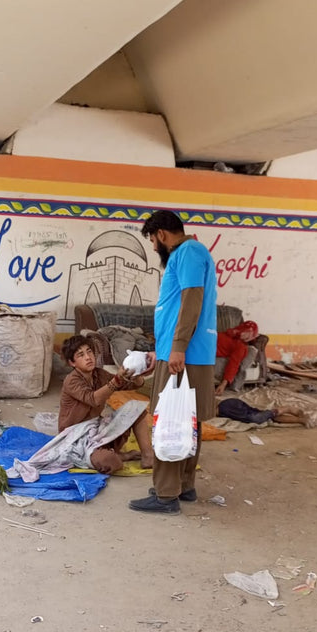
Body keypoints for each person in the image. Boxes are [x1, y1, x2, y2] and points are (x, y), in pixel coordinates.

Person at [129, 210, 217, 515]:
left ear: (162, 234)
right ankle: (184, 485)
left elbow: (192, 300)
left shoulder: (188, 252)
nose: (155, 247)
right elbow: (179, 305)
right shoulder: (191, 253)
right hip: (185, 351)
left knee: (169, 419)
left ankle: (166, 495)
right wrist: (164, 348)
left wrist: (177, 348)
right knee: (187, 417)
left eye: (153, 241)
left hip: (185, 354)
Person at [58, 335, 154, 473]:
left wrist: (137, 372)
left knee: (136, 409)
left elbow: (130, 385)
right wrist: (117, 380)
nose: (88, 357)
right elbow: (93, 399)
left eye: (89, 351)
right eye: (81, 355)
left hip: (97, 431)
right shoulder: (71, 381)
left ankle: (148, 456)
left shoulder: (99, 374)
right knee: (109, 461)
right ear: (72, 363)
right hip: (76, 438)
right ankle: (121, 456)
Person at [215, 320, 259, 396]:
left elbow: (233, 364)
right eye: (246, 331)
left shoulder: (240, 345)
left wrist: (223, 384)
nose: (244, 333)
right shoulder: (233, 337)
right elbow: (233, 364)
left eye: (249, 333)